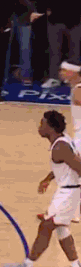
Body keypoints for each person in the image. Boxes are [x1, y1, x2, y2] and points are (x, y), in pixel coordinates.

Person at [3, 110, 81, 267]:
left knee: (45, 226)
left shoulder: (60, 147)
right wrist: (47, 178)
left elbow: (79, 167)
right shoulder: (62, 141)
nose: (39, 127)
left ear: (51, 128)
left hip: (69, 193)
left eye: (42, 124)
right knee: (61, 229)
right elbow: (66, 165)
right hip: (68, 191)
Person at [38, 62, 81, 223]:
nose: (61, 73)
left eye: (64, 70)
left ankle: (67, 212)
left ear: (73, 73)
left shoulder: (78, 89)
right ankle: (71, 211)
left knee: (72, 171)